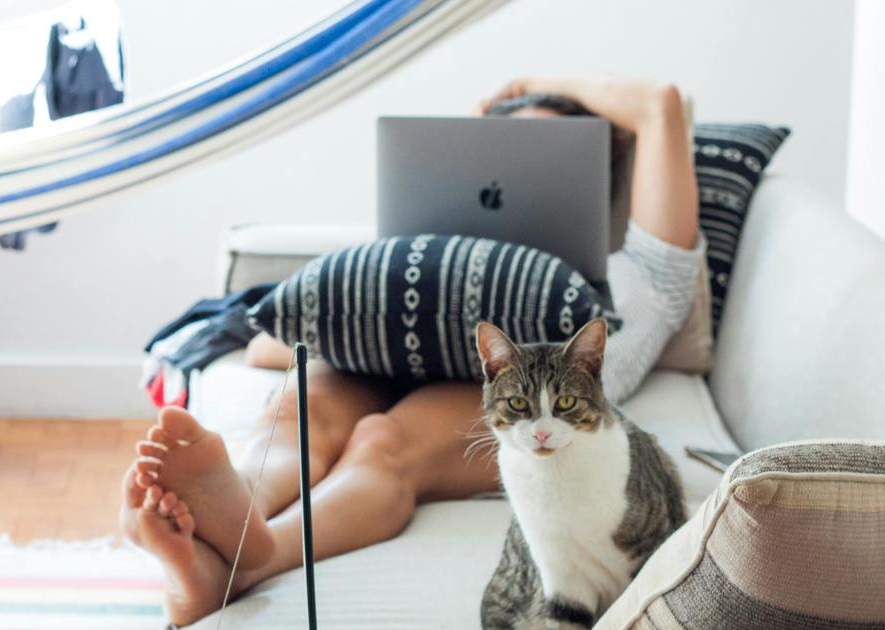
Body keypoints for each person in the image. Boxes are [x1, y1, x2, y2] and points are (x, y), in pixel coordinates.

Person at [118, 77, 705, 627]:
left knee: (384, 443)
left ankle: (250, 558)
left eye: (539, 157)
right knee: (299, 412)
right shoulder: (430, 263)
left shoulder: (633, 280)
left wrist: (539, 86)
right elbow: (263, 348)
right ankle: (237, 494)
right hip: (405, 353)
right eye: (500, 157)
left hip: (525, 387)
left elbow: (663, 103)